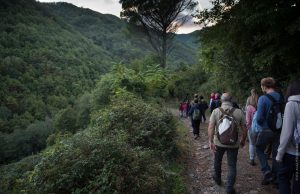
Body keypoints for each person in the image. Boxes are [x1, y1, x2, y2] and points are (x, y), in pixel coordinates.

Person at [208, 92, 248, 194]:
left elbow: (211, 127)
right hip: (233, 143)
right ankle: (229, 188)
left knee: (217, 161)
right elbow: (244, 128)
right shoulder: (239, 112)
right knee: (232, 165)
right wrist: (242, 140)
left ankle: (217, 178)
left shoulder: (216, 111)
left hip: (218, 142)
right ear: (231, 100)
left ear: (221, 100)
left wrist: (210, 141)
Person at [256, 77, 283, 185]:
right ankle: (276, 178)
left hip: (266, 129)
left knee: (259, 148)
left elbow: (259, 118)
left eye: (261, 86)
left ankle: (267, 172)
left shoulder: (263, 98)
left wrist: (262, 126)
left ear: (264, 86)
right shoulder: (281, 96)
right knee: (276, 153)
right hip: (279, 130)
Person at [276, 79, 300, 194]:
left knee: (283, 177)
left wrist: (280, 154)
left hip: (291, 152)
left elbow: (287, 133)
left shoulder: (291, 104)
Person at [246, 89, 258, 166]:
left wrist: (246, 127)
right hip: (260, 128)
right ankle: (259, 156)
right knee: (258, 143)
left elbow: (248, 120)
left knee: (252, 143)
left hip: (251, 128)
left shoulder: (249, 107)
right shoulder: (259, 102)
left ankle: (252, 159)